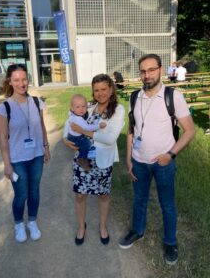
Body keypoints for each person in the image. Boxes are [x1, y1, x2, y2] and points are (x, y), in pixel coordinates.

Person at [119, 54, 195, 265]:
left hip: (163, 163)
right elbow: (132, 130)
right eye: (143, 71)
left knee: (167, 204)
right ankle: (137, 231)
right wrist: (128, 159)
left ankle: (170, 242)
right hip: (139, 162)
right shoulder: (135, 97)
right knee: (139, 200)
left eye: (151, 70)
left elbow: (189, 130)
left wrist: (170, 155)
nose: (147, 75)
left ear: (160, 70)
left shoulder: (174, 96)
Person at [63, 74, 125, 246]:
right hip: (83, 161)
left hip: (103, 161)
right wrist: (65, 139)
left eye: (104, 89)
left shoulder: (117, 110)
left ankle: (103, 226)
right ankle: (81, 226)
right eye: (96, 90)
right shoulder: (88, 107)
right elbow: (70, 122)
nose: (100, 93)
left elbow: (109, 138)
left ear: (111, 89)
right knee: (80, 195)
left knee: (103, 195)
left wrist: (82, 132)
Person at [0, 64, 50, 243]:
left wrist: (46, 146)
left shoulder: (36, 102)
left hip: (36, 156)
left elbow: (41, 126)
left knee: (34, 192)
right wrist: (7, 164)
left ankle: (32, 222)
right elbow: (3, 138)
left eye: (24, 79)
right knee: (21, 195)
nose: (21, 83)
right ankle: (19, 223)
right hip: (17, 159)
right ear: (10, 82)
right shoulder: (4, 108)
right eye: (17, 80)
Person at [67, 94, 106, 171]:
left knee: (84, 144)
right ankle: (82, 159)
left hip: (72, 135)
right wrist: (99, 126)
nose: (81, 109)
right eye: (78, 107)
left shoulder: (74, 114)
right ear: (72, 108)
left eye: (83, 106)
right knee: (86, 143)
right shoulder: (78, 119)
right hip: (75, 138)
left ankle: (83, 156)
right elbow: (87, 128)